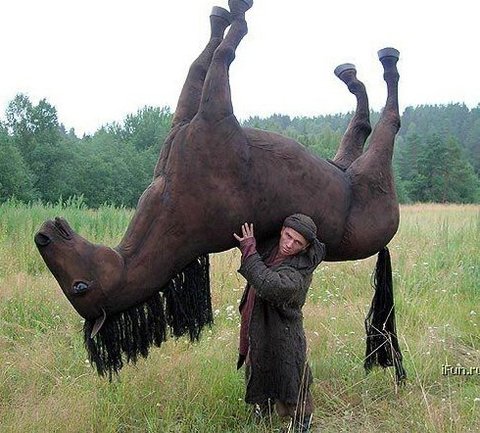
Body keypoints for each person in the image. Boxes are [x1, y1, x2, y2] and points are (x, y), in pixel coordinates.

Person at [233, 214, 326, 433]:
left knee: (289, 374)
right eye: (288, 236)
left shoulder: (300, 269)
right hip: (258, 324)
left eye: (297, 243)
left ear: (305, 247)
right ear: (282, 230)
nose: (289, 244)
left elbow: (272, 286)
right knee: (257, 363)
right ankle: (262, 411)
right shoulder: (271, 248)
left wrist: (249, 250)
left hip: (283, 331)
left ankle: (302, 422)